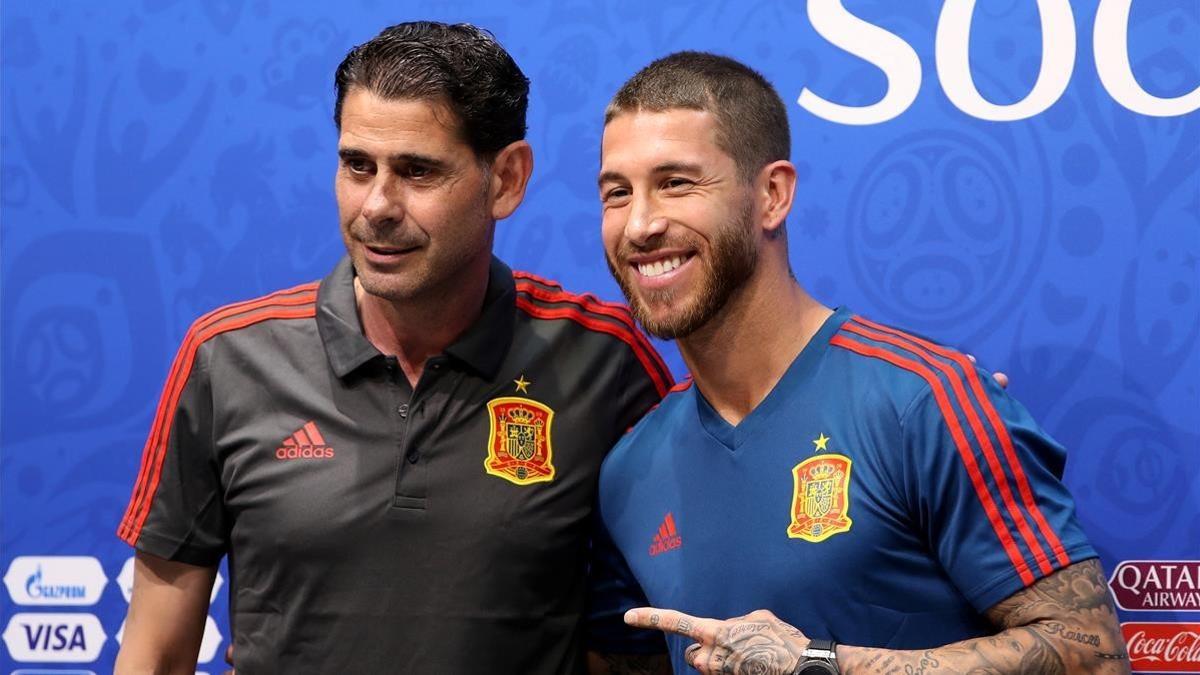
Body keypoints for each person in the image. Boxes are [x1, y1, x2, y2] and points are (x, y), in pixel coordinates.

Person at [113, 22, 676, 674]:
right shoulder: (226, 358)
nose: (377, 205)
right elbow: (154, 651)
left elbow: (640, 642)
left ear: (508, 180)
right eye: (357, 165)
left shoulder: (605, 363)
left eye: (417, 171)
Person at [594, 52, 1129, 674]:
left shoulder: (927, 400)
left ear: (772, 194)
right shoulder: (627, 472)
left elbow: (1093, 655)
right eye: (616, 193)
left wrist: (817, 666)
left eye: (676, 183)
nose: (640, 224)